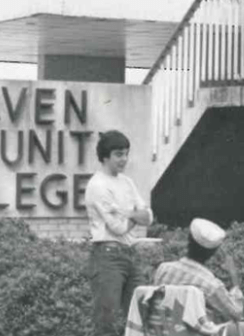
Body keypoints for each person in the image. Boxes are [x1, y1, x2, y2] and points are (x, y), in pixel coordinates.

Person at [85, 131, 154, 335]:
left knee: (140, 315)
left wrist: (128, 214)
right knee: (107, 321)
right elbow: (118, 228)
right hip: (107, 257)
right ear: (105, 156)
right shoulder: (97, 185)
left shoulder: (127, 182)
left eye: (126, 154)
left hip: (131, 254)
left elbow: (149, 216)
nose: (124, 159)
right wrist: (136, 215)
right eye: (118, 154)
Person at [153, 219, 244, 336]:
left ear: (188, 240)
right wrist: (234, 277)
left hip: (161, 331)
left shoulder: (162, 269)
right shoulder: (210, 284)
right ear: (213, 253)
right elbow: (237, 314)